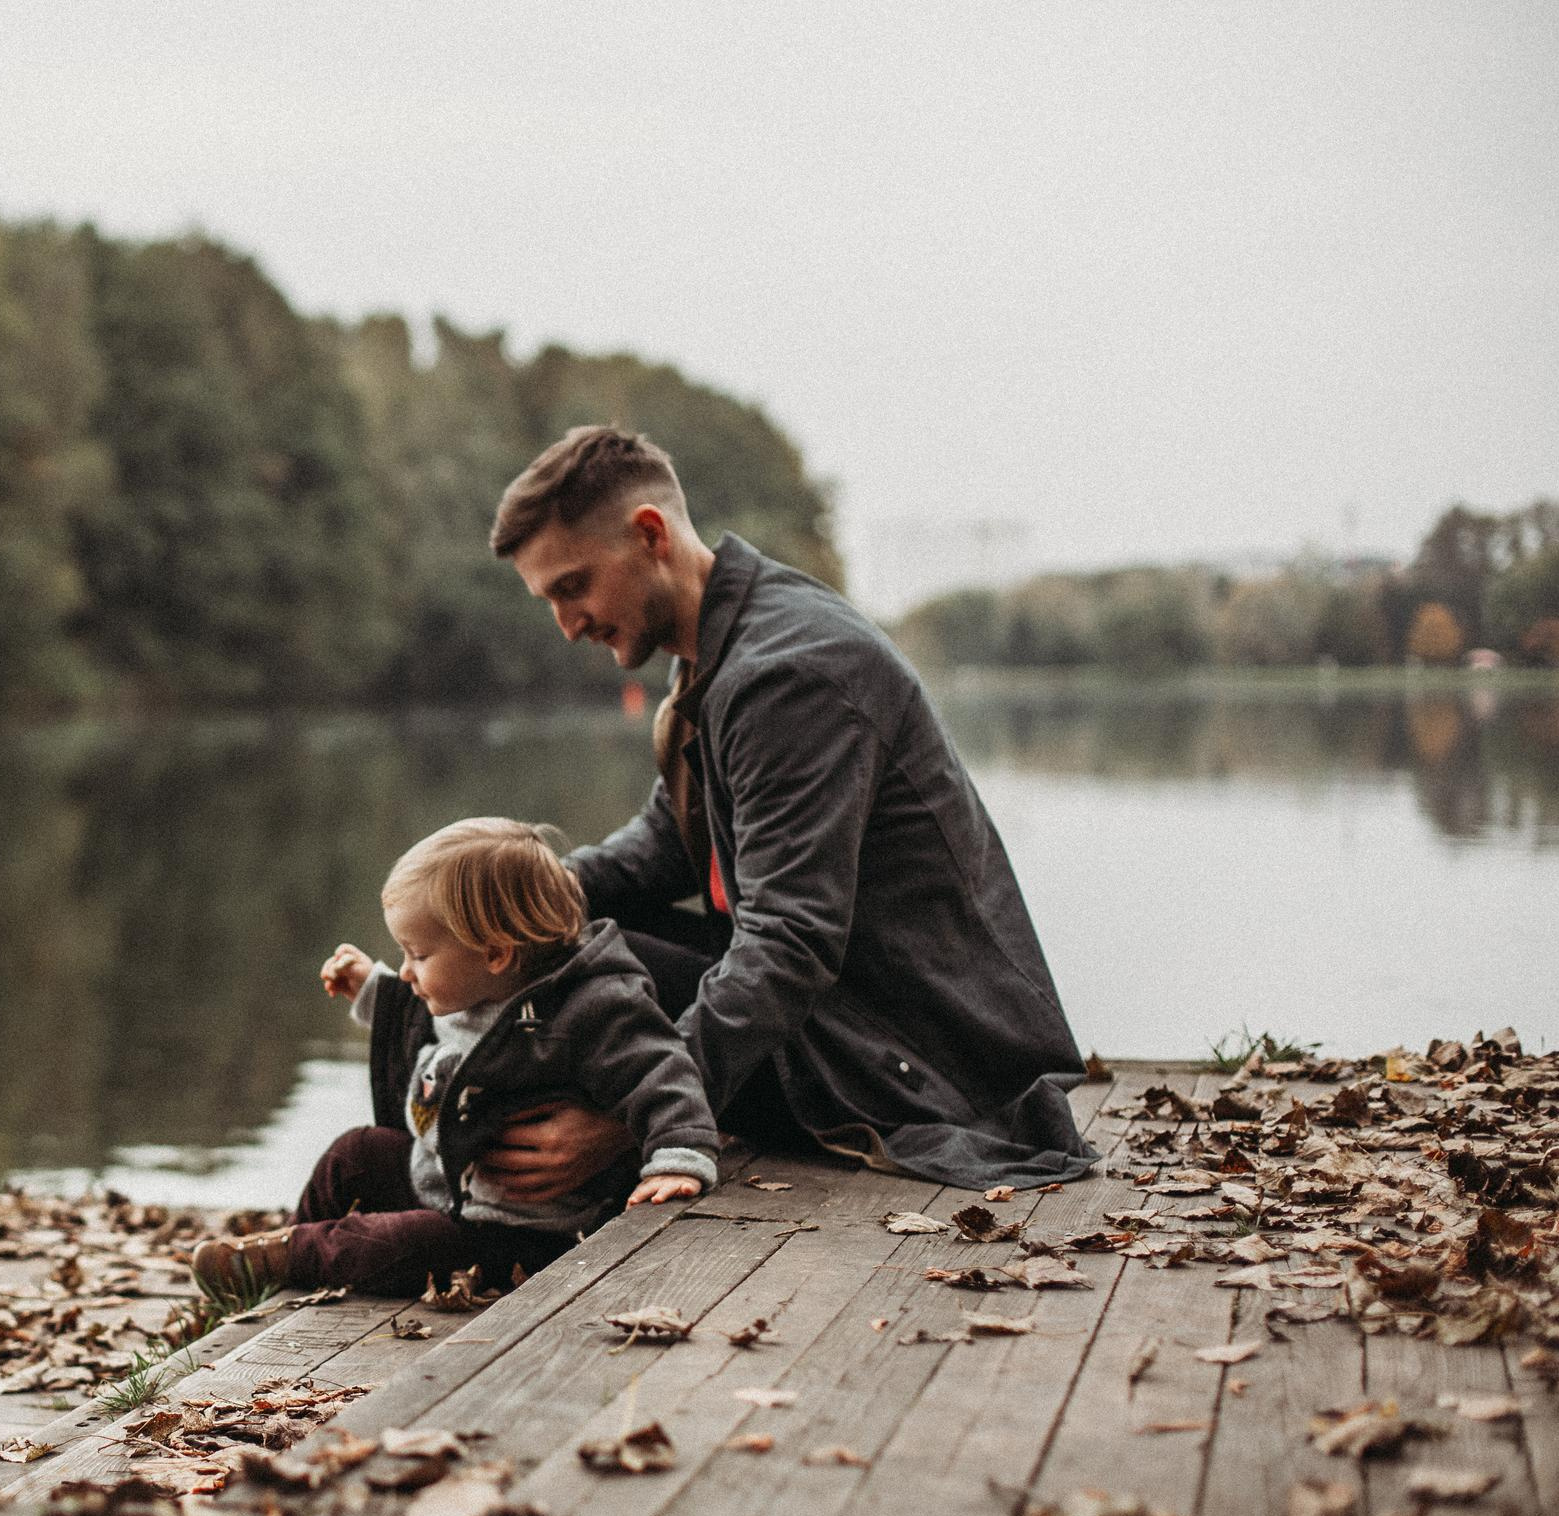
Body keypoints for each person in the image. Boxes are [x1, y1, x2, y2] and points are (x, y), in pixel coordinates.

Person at [476, 426, 1093, 1200]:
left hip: (918, 1059)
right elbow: (662, 849)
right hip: (848, 1013)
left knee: (579, 978)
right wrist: (488, 907)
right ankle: (471, 1183)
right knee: (550, 944)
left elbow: (789, 942)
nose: (567, 624)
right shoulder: (721, 647)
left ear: (649, 534)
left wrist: (642, 1115)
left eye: (573, 586)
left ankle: (500, 1207)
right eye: (551, 601)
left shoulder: (787, 674)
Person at [189, 818, 723, 1298]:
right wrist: (371, 990)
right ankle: (284, 1245)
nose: (407, 970)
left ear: (496, 954)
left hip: (517, 1232)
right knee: (355, 1152)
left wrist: (678, 1157)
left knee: (394, 1244)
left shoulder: (593, 1007)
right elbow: (433, 1020)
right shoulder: (477, 987)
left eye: (418, 956)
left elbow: (663, 1069)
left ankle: (289, 1258)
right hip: (441, 1181)